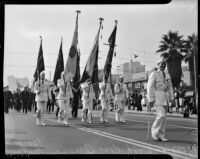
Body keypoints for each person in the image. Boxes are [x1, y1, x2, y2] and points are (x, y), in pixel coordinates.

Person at [147, 57, 174, 142]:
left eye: (164, 64)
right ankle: (155, 132)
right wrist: (150, 98)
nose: (163, 65)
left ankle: (161, 135)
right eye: (161, 64)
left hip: (166, 97)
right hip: (157, 97)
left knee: (164, 117)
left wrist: (172, 97)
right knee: (161, 115)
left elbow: (170, 87)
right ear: (158, 65)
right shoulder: (154, 74)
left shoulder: (167, 74)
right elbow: (149, 87)